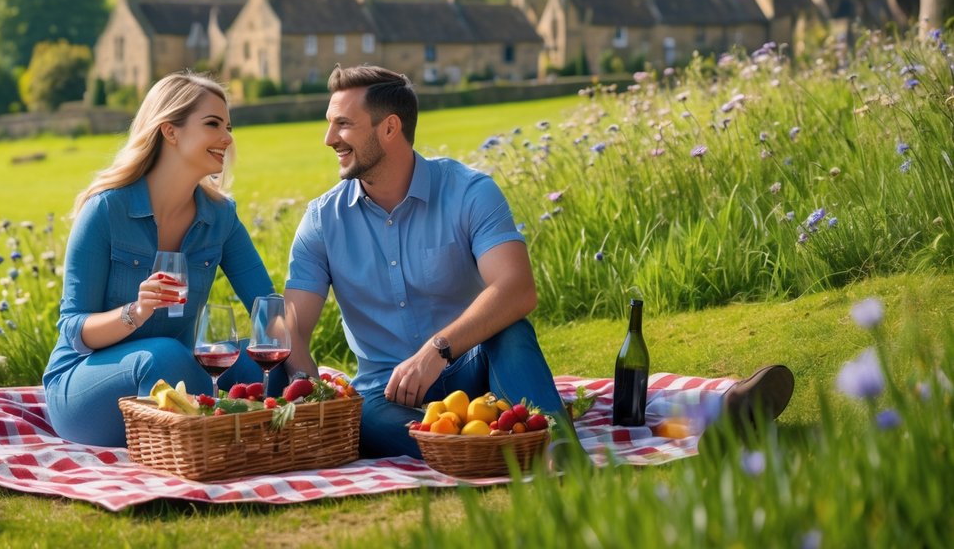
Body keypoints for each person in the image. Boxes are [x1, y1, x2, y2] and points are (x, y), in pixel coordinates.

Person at [282, 65, 794, 460]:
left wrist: (437, 350)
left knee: (509, 330)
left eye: (343, 124)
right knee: (366, 420)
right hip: (384, 395)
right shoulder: (323, 220)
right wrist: (320, 399)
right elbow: (293, 333)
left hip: (472, 371)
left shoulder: (469, 192)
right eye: (331, 124)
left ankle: (550, 443)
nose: (330, 139)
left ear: (389, 128)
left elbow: (516, 289)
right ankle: (539, 446)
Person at [44, 72, 275, 447]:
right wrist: (136, 311)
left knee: (264, 363)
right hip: (86, 385)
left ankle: (238, 441)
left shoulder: (220, 216)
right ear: (171, 131)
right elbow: (74, 328)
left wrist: (296, 366)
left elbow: (267, 306)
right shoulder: (106, 210)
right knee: (165, 356)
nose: (227, 138)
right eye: (213, 124)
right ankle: (210, 446)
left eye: (228, 126)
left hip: (182, 371)